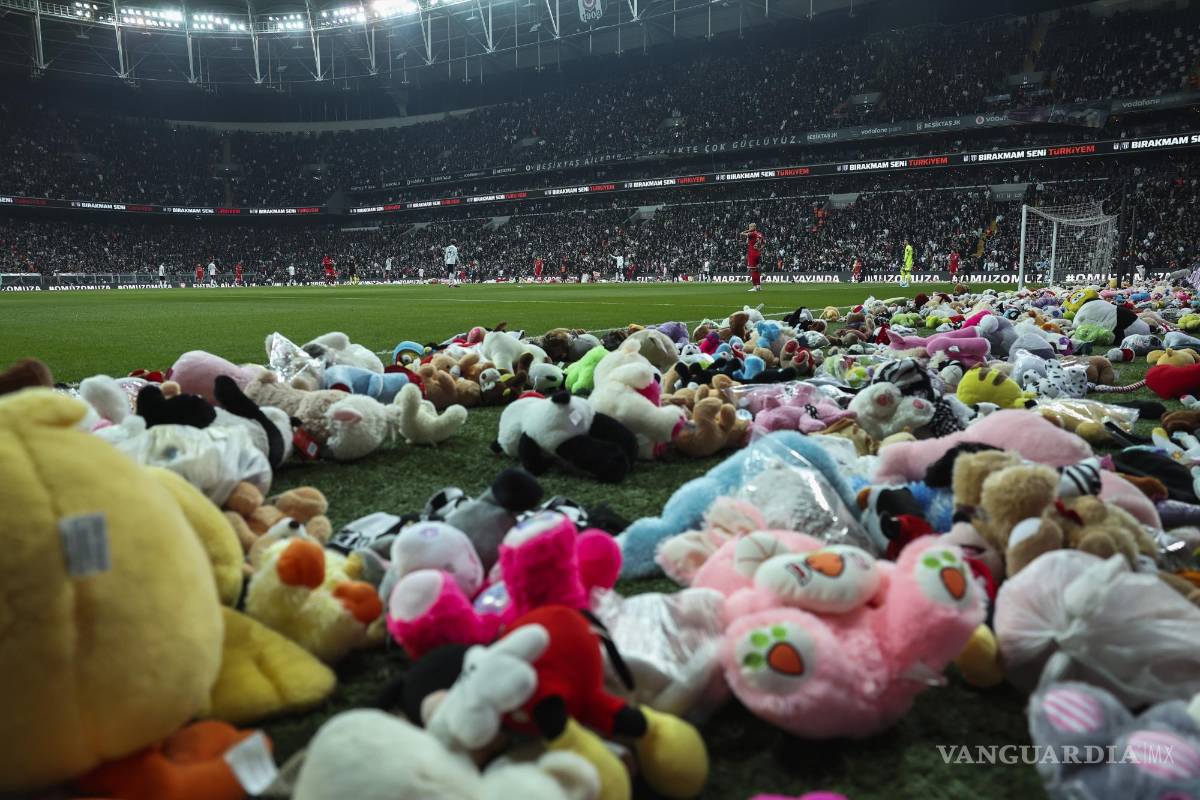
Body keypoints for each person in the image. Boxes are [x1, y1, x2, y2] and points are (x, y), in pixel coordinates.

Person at [740, 222, 765, 292]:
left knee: (753, 270)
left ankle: (754, 287)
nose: (749, 228)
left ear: (752, 227)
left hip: (752, 253)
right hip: (758, 253)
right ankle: (759, 286)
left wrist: (748, 230)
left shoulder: (752, 234)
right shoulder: (759, 234)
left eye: (749, 227)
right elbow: (763, 244)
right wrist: (759, 249)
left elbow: (741, 233)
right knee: (757, 270)